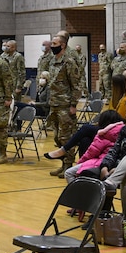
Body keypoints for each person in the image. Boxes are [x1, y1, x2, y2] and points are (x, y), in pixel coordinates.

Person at [47, 34, 82, 175]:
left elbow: (76, 85)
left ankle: (69, 165)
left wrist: (73, 105)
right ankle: (63, 164)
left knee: (66, 136)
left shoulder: (69, 62)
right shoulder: (52, 61)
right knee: (56, 137)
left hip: (66, 104)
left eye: (54, 43)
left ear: (62, 45)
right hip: (54, 103)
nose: (52, 46)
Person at [62, 111, 124, 184]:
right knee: (85, 139)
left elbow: (92, 152)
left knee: (69, 173)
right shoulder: (123, 131)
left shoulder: (104, 134)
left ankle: (78, 194)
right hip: (117, 163)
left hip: (100, 162)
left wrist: (80, 163)